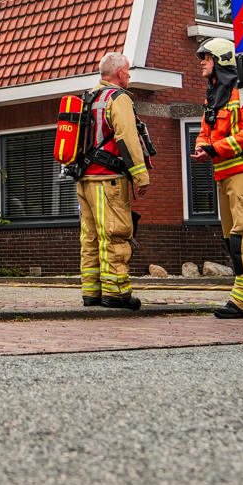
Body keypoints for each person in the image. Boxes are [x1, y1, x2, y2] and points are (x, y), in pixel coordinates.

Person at [193, 38, 243, 319]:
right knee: (234, 239)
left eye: (206, 58)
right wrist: (202, 147)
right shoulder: (213, 97)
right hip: (225, 175)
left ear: (221, 60)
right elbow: (205, 131)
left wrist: (215, 149)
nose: (202, 63)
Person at [76, 51, 153, 311]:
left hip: (83, 180)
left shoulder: (87, 97)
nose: (129, 75)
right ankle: (116, 293)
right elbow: (127, 138)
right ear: (120, 73)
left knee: (90, 237)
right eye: (128, 71)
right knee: (115, 234)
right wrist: (140, 176)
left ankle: (91, 292)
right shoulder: (118, 98)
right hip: (108, 180)